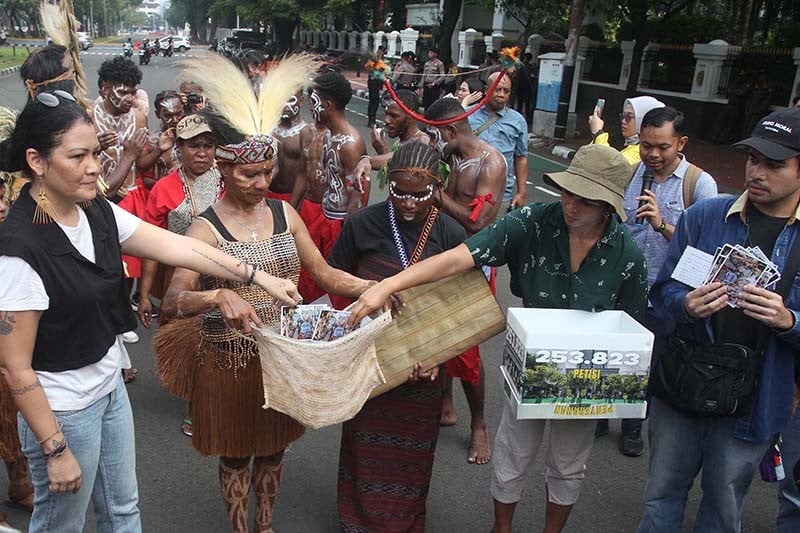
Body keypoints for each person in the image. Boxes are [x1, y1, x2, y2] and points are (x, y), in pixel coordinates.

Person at [0, 92, 300, 533]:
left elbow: (177, 247)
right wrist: (55, 447)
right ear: (37, 161)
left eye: (95, 154)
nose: (94, 167)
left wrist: (258, 277)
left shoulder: (95, 211)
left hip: (108, 391)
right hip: (63, 411)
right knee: (62, 523)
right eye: (78, 156)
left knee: (124, 512)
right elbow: (15, 367)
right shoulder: (19, 249)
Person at [348, 143, 648, 533]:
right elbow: (461, 257)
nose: (572, 207)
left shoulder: (627, 255)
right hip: (530, 359)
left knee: (569, 463)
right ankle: (501, 528)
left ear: (607, 207)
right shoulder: (534, 221)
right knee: (513, 452)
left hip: (584, 372)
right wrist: (389, 285)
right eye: (567, 194)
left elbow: (633, 328)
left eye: (586, 202)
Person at [156, 112, 372, 533]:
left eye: (267, 172)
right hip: (229, 360)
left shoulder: (283, 213)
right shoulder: (204, 230)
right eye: (249, 175)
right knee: (236, 453)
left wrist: (372, 287)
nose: (262, 183)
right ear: (224, 169)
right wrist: (218, 295)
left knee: (274, 448)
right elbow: (173, 301)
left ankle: (265, 526)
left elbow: (325, 274)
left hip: (282, 357)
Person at [639, 107, 800, 532]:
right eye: (753, 159)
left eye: (774, 164)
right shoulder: (705, 217)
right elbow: (663, 295)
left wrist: (788, 320)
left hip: (754, 399)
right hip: (683, 381)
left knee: (724, 507)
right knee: (661, 495)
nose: (757, 172)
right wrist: (686, 305)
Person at [331, 142, 467, 531]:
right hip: (369, 360)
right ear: (387, 183)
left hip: (425, 365)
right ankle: (357, 522)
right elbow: (335, 278)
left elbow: (460, 304)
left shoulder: (451, 233)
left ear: (438, 187)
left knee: (412, 454)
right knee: (364, 444)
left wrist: (438, 355)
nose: (408, 202)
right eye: (399, 192)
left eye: (420, 194)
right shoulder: (361, 224)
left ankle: (403, 524)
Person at [610, 106, 718, 457]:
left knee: (649, 365)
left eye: (662, 147)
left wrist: (662, 225)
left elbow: (708, 252)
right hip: (623, 289)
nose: (653, 154)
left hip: (666, 296)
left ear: (681, 143)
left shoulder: (699, 184)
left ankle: (632, 426)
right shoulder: (629, 173)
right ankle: (599, 415)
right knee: (613, 358)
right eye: (646, 145)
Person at [425, 97, 507, 464]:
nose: (433, 140)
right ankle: (445, 405)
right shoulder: (450, 154)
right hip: (441, 255)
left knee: (466, 349)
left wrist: (436, 195)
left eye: (435, 134)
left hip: (472, 261)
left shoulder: (492, 163)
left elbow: (478, 222)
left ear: (451, 130)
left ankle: (479, 426)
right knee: (437, 334)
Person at [298, 71, 367, 302]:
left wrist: (348, 236)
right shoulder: (330, 136)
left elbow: (359, 195)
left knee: (335, 283)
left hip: (338, 225)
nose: (310, 106)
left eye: (314, 101)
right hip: (325, 218)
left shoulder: (350, 143)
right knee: (314, 277)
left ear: (327, 105)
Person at [468, 71, 529, 212]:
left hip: (501, 198)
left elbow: (521, 157)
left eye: (506, 91)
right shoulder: (467, 115)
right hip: (468, 193)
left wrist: (521, 192)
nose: (501, 94)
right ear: (486, 90)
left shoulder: (518, 121)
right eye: (497, 89)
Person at [92, 56, 149, 201]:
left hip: (130, 197)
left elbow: (141, 163)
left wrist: (159, 149)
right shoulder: (88, 118)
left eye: (133, 93)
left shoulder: (139, 118)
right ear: (106, 89)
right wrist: (96, 148)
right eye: (123, 93)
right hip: (98, 197)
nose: (130, 99)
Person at [366, 89, 430, 174]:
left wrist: (366, 160)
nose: (386, 120)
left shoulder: (422, 142)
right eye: (386, 114)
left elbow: (400, 159)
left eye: (394, 116)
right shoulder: (400, 142)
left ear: (411, 116)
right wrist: (382, 150)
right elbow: (394, 176)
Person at [588, 95, 664, 166]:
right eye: (623, 116)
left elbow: (610, 165)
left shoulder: (642, 151)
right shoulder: (632, 146)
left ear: (644, 120)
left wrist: (597, 132)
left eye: (628, 117)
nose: (623, 121)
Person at [271, 91, 312, 209]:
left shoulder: (306, 132)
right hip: (267, 194)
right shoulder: (269, 128)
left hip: (293, 197)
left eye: (290, 100)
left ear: (301, 101)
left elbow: (305, 174)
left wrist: (293, 206)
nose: (285, 105)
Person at [365, 45, 387, 127]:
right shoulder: (373, 59)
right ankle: (371, 121)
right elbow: (369, 69)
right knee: (374, 101)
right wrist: (377, 68)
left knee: (374, 101)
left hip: (377, 82)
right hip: (373, 82)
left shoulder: (381, 60)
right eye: (382, 51)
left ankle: (371, 120)